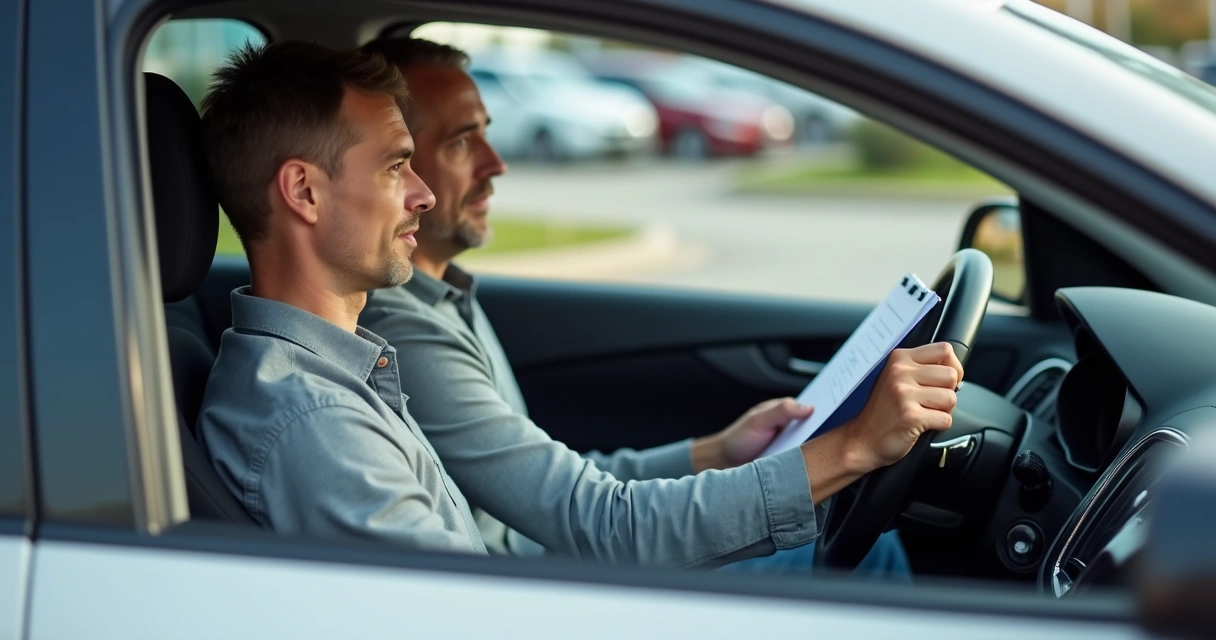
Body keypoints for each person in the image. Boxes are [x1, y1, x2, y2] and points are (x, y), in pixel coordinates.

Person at [197, 40, 964, 569]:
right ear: (302, 191)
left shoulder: (345, 369)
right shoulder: (314, 422)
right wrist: (854, 449)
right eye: (400, 165)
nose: (423, 194)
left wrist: (713, 453)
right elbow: (474, 611)